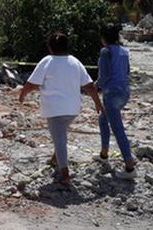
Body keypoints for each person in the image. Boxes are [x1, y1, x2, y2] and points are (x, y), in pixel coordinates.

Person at [19, 33, 103, 186]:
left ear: (50, 47)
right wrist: (97, 103)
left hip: (54, 108)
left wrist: (23, 94)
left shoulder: (47, 61)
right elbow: (89, 85)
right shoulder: (75, 62)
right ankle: (54, 159)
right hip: (72, 109)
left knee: (60, 140)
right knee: (60, 134)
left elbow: (32, 84)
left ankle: (65, 173)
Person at [94, 24, 137, 179]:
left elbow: (104, 76)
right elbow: (126, 71)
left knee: (118, 129)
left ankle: (129, 167)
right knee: (103, 119)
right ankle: (104, 154)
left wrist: (94, 86)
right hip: (124, 92)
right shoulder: (124, 51)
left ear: (104, 38)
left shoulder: (106, 52)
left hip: (111, 94)